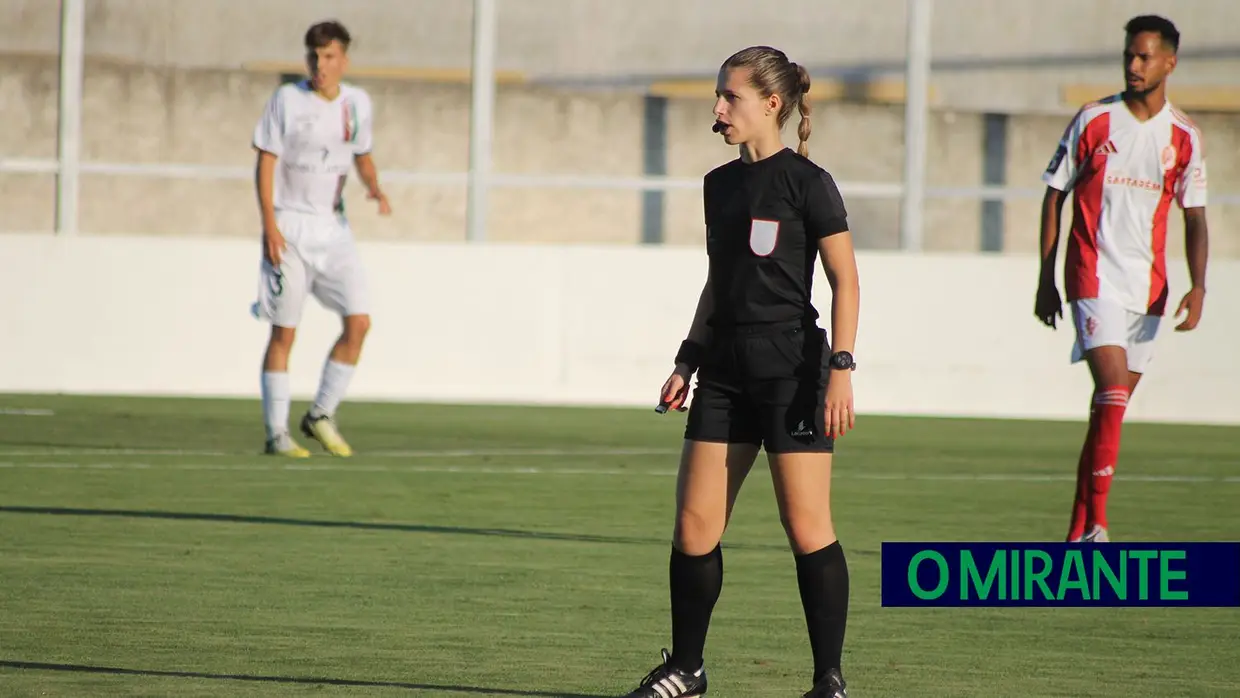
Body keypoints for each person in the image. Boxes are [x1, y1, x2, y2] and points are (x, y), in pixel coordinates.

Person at [621, 46, 860, 698]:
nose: (719, 110)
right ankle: (687, 669)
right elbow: (719, 283)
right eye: (719, 96)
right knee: (694, 528)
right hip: (723, 373)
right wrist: (687, 359)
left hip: (792, 372)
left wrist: (840, 366)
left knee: (807, 526)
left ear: (772, 104)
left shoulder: (808, 183)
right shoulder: (718, 185)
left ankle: (828, 681)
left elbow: (845, 280)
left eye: (731, 97)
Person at [1035, 14, 1209, 543]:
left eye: (1145, 57)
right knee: (1111, 391)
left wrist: (1199, 286)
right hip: (1092, 273)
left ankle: (1076, 533)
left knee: (1108, 412)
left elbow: (1195, 215)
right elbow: (1054, 193)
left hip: (1148, 289)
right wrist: (1047, 276)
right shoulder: (1094, 120)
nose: (1134, 65)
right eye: (1129, 55)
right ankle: (1100, 528)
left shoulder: (1183, 137)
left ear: (1169, 63)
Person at [250, 20, 391, 457]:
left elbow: (361, 155)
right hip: (289, 228)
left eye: (328, 56)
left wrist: (374, 185)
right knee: (284, 334)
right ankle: (277, 433)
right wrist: (269, 225)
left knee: (359, 322)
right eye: (313, 55)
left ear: (343, 59)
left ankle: (320, 415)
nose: (320, 64)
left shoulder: (358, 103)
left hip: (334, 230)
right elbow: (267, 162)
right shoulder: (287, 100)